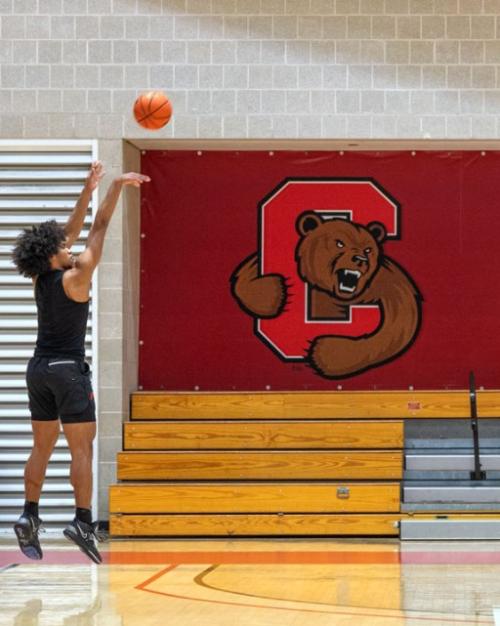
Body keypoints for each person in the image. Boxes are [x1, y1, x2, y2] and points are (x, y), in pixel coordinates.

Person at [11, 162, 150, 564]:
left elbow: (66, 234)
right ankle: (83, 520)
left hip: (38, 370)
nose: (70, 246)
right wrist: (115, 188)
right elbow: (100, 226)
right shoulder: (79, 274)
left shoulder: (42, 276)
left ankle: (29, 514)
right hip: (69, 372)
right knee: (82, 449)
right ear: (54, 254)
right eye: (64, 247)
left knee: (42, 445)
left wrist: (87, 189)